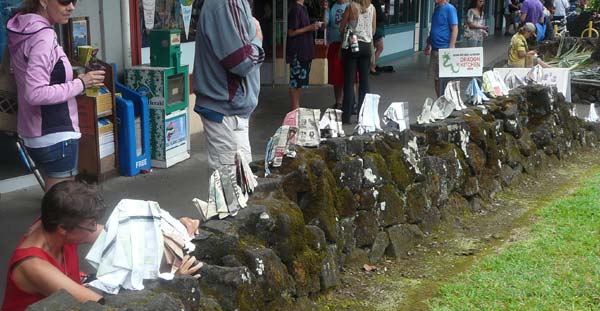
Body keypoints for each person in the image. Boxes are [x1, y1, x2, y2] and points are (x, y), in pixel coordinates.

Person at [0, 181, 202, 311]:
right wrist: (171, 280)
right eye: (89, 225)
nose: (93, 229)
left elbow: (129, 234)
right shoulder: (33, 266)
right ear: (63, 228)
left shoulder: (53, 223)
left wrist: (176, 227)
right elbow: (96, 303)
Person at [6, 0, 106, 192]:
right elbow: (35, 93)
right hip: (55, 134)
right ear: (43, 1)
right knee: (61, 212)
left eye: (74, 0)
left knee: (56, 207)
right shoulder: (43, 36)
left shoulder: (23, 30)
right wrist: (81, 83)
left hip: (34, 131)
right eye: (64, 0)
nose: (71, 7)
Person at [192, 0, 264, 171]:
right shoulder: (226, 3)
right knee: (232, 188)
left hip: (232, 110)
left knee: (241, 184)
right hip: (225, 111)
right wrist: (258, 39)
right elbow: (241, 61)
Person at [339, 0, 376, 124]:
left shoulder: (351, 7)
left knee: (349, 82)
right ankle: (364, 115)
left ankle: (347, 115)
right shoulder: (372, 8)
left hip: (353, 45)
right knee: (364, 82)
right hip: (366, 46)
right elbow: (373, 30)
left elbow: (342, 28)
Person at [287, 0, 320, 111]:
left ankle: (296, 109)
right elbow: (291, 32)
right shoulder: (295, 9)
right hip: (298, 51)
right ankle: (295, 110)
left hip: (305, 51)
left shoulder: (303, 8)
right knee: (295, 83)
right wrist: (310, 28)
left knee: (299, 83)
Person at [322, 0, 354, 110]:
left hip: (348, 45)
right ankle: (338, 102)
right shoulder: (332, 6)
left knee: (351, 76)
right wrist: (325, 10)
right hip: (335, 44)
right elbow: (325, 24)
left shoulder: (351, 6)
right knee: (336, 76)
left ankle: (351, 102)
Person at [424, 0, 458, 97]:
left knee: (444, 79)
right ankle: (440, 100)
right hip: (435, 49)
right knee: (436, 78)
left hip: (444, 49)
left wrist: (451, 48)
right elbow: (434, 28)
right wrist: (428, 44)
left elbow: (455, 28)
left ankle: (446, 100)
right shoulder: (436, 9)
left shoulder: (449, 9)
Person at [370, 0, 389, 75]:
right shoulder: (376, 4)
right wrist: (385, 15)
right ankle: (371, 66)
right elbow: (380, 17)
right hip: (377, 28)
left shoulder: (374, 3)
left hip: (374, 28)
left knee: (372, 49)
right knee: (380, 48)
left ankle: (370, 66)